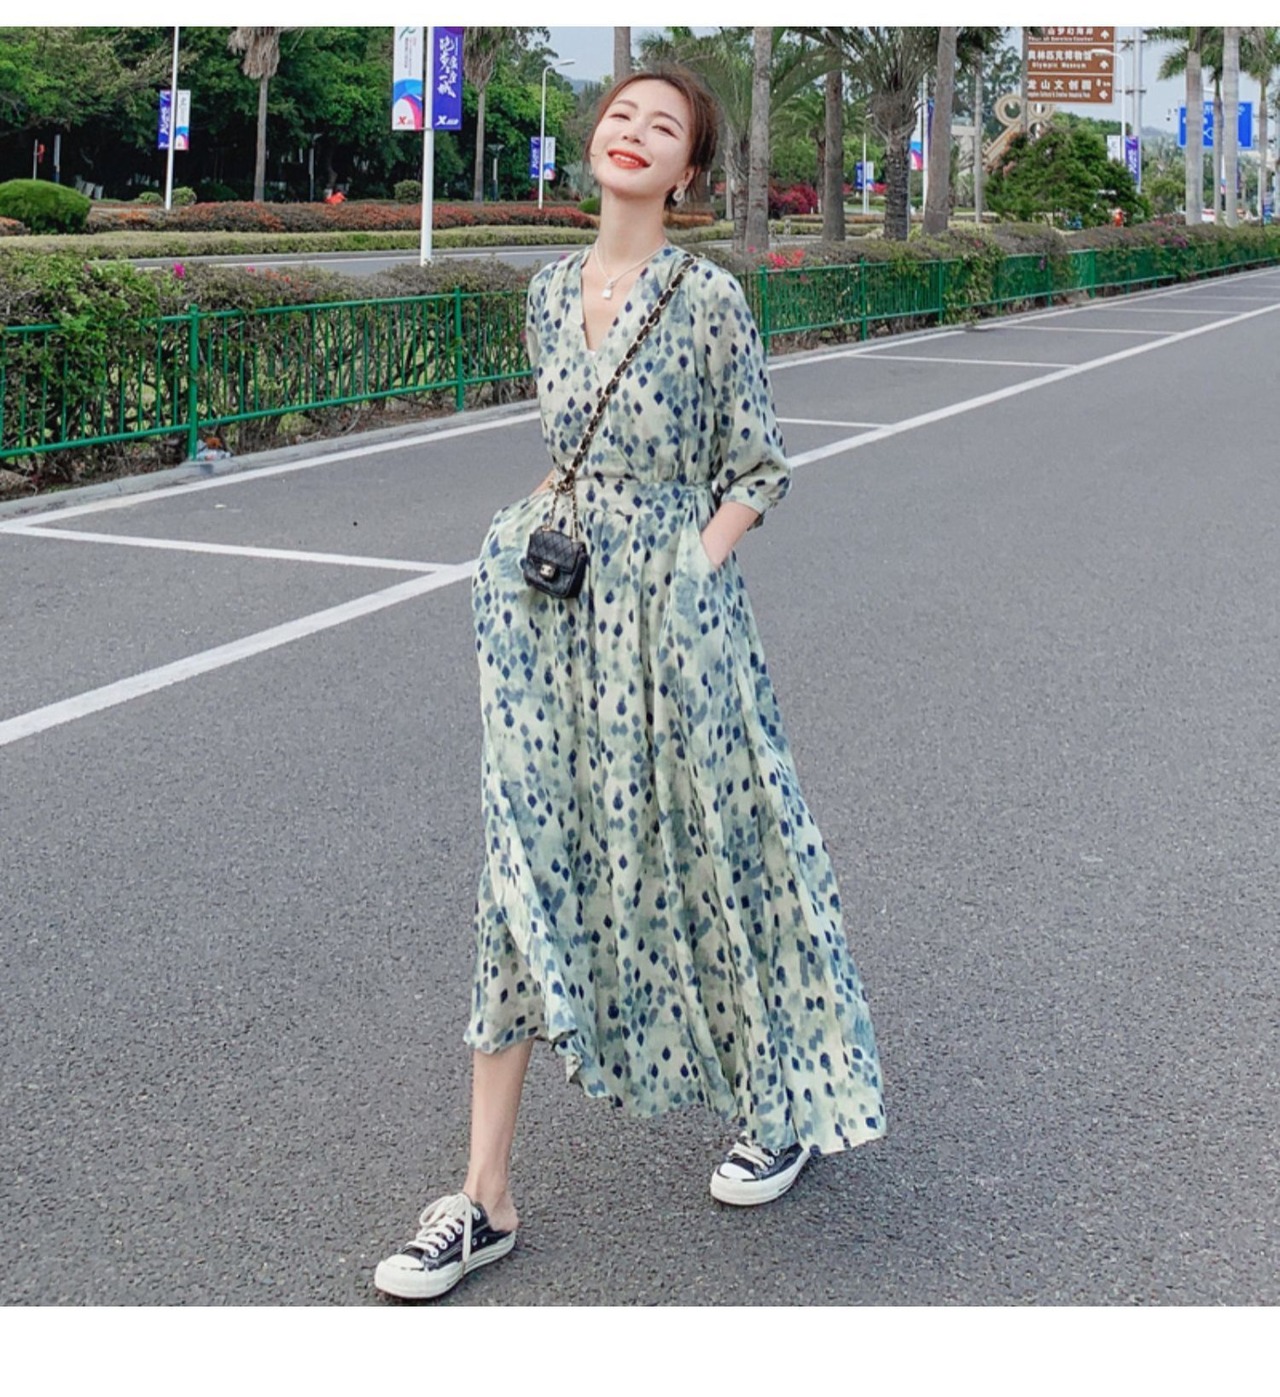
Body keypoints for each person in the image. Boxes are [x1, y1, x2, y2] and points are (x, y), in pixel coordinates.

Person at [375, 65, 885, 1303]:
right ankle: (482, 1195)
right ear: (594, 140)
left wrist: (690, 570)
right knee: (523, 865)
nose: (633, 133)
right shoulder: (546, 293)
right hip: (549, 615)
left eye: (663, 127)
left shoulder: (707, 299)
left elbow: (756, 467)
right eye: (620, 115)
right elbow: (568, 455)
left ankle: (783, 1099)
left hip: (676, 615)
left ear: (687, 171)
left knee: (720, 847)